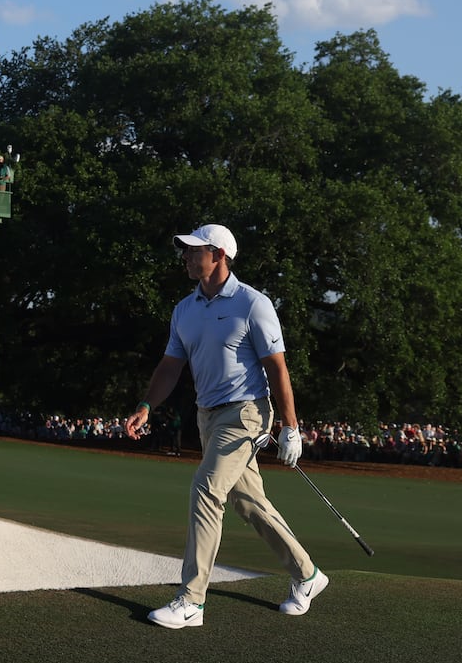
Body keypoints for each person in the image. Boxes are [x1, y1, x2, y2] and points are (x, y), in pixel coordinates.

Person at [123, 223, 327, 629]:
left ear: (218, 254)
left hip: (247, 413)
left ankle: (191, 600)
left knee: (206, 489)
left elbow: (278, 368)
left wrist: (290, 427)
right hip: (208, 415)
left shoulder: (253, 303)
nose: (185, 255)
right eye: (185, 250)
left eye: (193, 250)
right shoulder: (184, 309)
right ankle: (307, 575)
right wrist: (147, 404)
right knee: (247, 503)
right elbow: (170, 366)